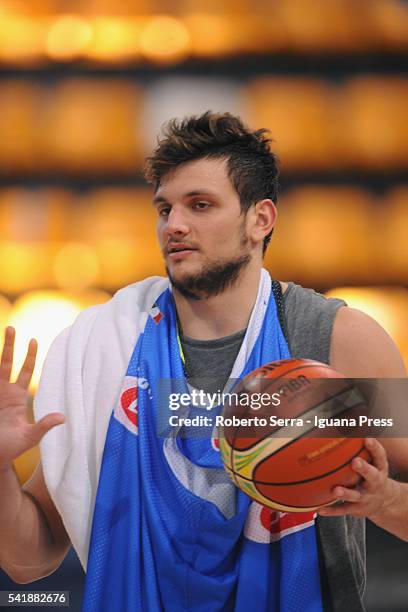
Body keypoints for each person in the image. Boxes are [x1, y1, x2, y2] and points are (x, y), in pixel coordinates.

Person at [0, 112, 407, 612]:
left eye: (200, 205)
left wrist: (386, 501)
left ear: (260, 220)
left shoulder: (334, 341)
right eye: (164, 208)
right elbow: (29, 561)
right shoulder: (107, 346)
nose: (175, 225)